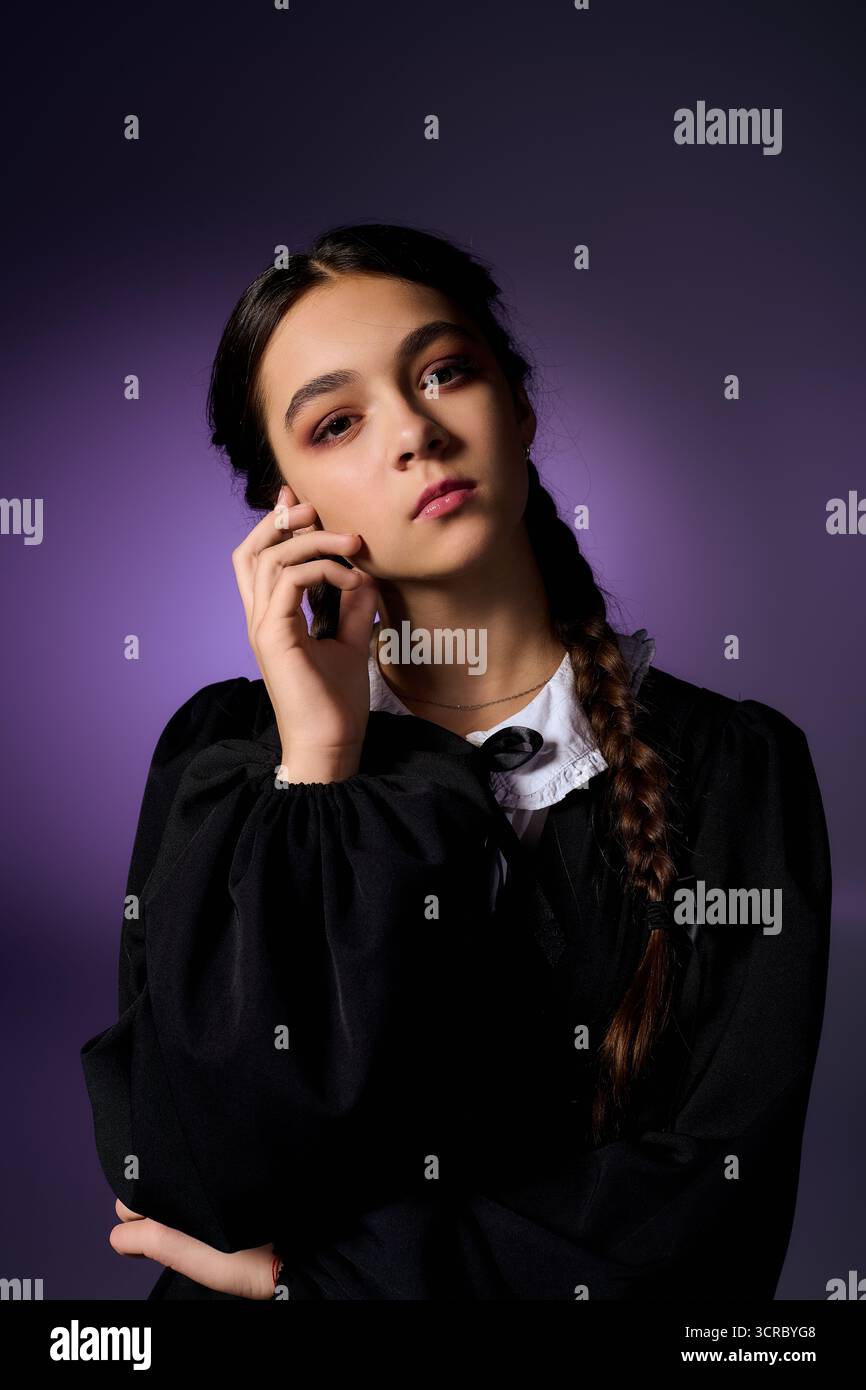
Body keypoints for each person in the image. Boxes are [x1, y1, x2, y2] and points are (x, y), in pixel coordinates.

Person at [80, 222, 831, 1301]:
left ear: (517, 408)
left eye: (443, 372)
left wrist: (313, 1281)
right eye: (337, 422)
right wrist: (318, 764)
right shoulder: (224, 757)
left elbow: (710, 1218)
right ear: (287, 510)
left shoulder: (738, 768)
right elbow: (190, 1163)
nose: (414, 433)